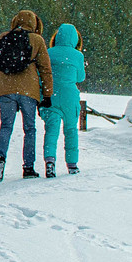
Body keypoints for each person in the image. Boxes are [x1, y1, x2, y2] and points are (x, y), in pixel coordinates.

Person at [0, 8, 54, 181]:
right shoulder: (37, 40)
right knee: (29, 128)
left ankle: (0, 160)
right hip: (28, 90)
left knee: (6, 126)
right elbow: (45, 69)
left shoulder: (3, 37)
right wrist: (47, 94)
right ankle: (28, 167)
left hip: (5, 89)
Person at [43, 21, 88, 175]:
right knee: (70, 130)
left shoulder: (49, 52)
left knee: (51, 130)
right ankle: (72, 164)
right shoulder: (78, 55)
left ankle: (50, 162)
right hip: (70, 96)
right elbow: (80, 77)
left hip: (51, 96)